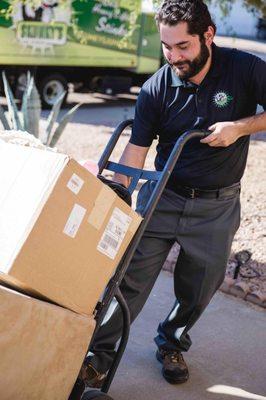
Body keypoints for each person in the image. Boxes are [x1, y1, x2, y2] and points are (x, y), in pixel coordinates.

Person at [81, 0, 266, 387]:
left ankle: (171, 341)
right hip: (163, 195)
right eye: (167, 46)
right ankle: (97, 356)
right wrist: (117, 195)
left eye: (182, 47)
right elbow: (137, 148)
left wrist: (240, 127)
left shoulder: (245, 68)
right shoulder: (156, 87)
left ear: (208, 36)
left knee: (199, 287)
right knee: (128, 280)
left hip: (217, 203)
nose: (174, 56)